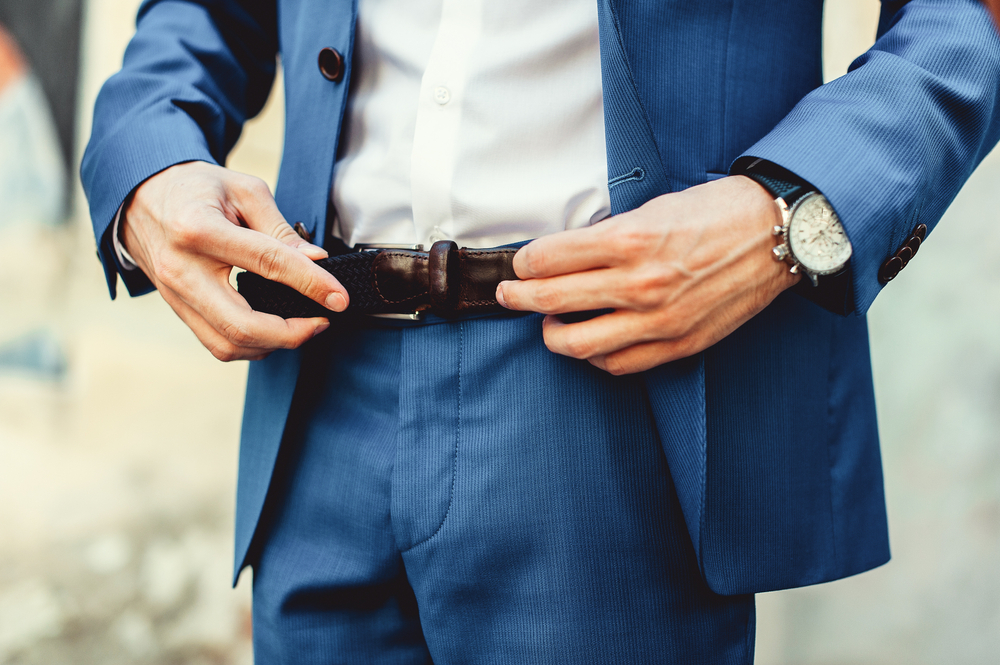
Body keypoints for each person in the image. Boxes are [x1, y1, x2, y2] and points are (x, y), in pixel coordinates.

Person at [81, 0, 1000, 662]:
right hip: (320, 391)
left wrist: (786, 212)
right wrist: (144, 157)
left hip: (614, 401)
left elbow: (966, 22)